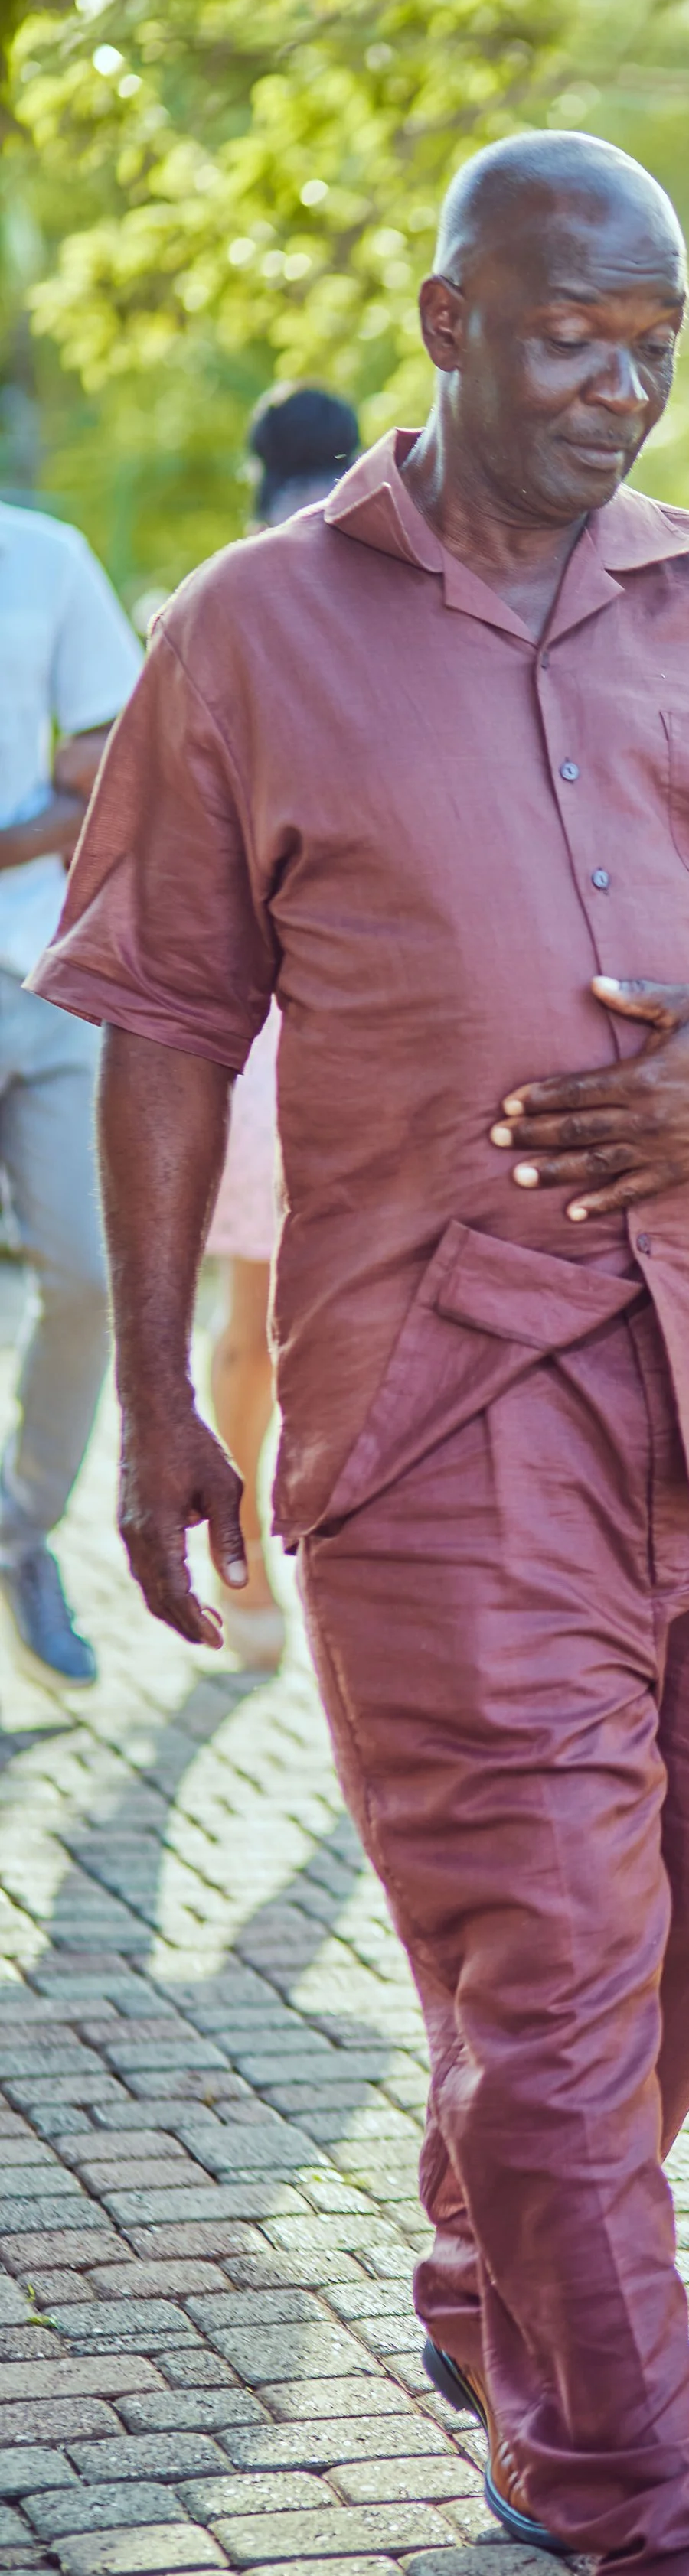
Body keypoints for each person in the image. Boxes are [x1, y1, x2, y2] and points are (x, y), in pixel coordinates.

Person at [32, 130, 689, 2576]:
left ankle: (486, 2276)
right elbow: (155, 1027)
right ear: (450, 321)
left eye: (659, 341)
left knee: (683, 1949)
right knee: (550, 1968)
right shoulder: (250, 631)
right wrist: (150, 1409)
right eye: (575, 333)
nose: (622, 380)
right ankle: (674, 2531)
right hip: (438, 1393)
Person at [204, 386, 364, 1674]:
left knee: (268, 1310)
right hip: (302, 1014)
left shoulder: (234, 595)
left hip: (287, 1013)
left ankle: (260, 1554)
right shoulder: (275, 600)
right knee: (283, 1310)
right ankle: (256, 1549)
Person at [0, 493, 143, 1695]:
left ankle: (18, 1529)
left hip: (40, 970)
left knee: (90, 1273)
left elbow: (115, 756)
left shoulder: (47, 560)